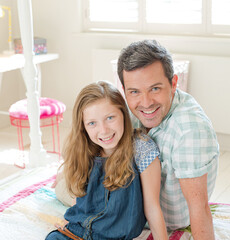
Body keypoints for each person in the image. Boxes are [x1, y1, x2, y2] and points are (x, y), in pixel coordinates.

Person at [117, 40, 219, 240]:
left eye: (155, 89)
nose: (146, 103)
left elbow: (199, 208)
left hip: (167, 222)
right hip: (130, 211)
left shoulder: (189, 129)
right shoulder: (125, 112)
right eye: (135, 92)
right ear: (125, 90)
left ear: (173, 84)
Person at [46, 81, 167, 240]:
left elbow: (152, 208)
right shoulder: (85, 148)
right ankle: (60, 178)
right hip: (76, 231)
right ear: (83, 126)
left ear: (123, 114)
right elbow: (80, 197)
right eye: (92, 123)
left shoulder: (142, 149)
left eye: (110, 118)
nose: (104, 130)